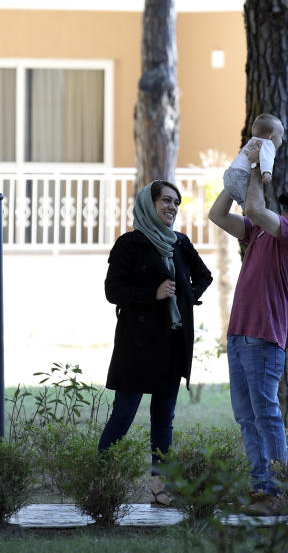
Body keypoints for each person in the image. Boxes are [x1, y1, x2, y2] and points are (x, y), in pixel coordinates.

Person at [208, 139, 288, 513]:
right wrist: (238, 170)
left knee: (266, 414)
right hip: (239, 335)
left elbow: (252, 206)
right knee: (247, 417)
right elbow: (219, 215)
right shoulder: (263, 229)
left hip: (263, 336)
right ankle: (261, 490)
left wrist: (253, 167)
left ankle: (278, 493)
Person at [98, 180, 213, 507]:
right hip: (137, 345)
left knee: (164, 418)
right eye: (165, 200)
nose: (172, 207)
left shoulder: (180, 243)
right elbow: (113, 291)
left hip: (171, 344)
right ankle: (101, 482)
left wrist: (187, 297)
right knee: (123, 416)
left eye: (176, 203)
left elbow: (203, 276)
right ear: (150, 204)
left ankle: (158, 489)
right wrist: (154, 294)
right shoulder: (130, 244)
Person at [222, 114, 285, 209]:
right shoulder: (268, 144)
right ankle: (251, 216)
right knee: (251, 203)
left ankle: (246, 211)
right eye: (280, 136)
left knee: (244, 201)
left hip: (229, 175)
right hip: (242, 175)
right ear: (271, 136)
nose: (281, 140)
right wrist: (267, 173)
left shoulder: (252, 142)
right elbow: (266, 160)